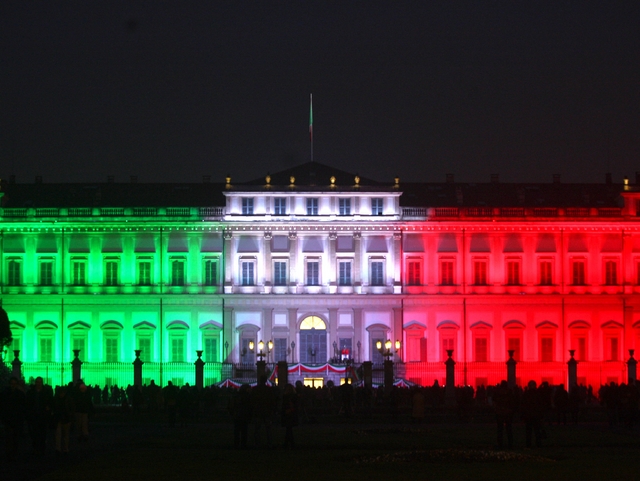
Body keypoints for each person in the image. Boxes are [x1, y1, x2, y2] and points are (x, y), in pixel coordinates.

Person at [1, 376, 26, 462]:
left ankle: (13, 453)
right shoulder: (5, 394)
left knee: (15, 438)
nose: (13, 386)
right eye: (12, 384)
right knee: (9, 438)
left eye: (14, 384)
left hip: (16, 420)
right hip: (9, 420)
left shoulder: (19, 394)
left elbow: (23, 407)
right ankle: (10, 454)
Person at [25, 376, 52, 456]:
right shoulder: (31, 392)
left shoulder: (45, 392)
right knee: (35, 434)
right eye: (37, 382)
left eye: (40, 382)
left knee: (42, 433)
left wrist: (49, 407)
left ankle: (41, 449)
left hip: (43, 416)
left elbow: (50, 401)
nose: (38, 384)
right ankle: (36, 448)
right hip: (34, 416)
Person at [520, 380, 544, 448]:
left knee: (528, 431)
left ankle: (528, 444)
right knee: (537, 431)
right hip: (536, 415)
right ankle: (538, 444)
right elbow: (541, 404)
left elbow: (523, 405)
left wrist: (523, 415)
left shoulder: (526, 394)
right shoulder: (538, 394)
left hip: (529, 415)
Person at [493, 380, 516, 449]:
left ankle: (500, 443)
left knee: (500, 429)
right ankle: (510, 443)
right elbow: (512, 402)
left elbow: (494, 400)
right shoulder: (509, 392)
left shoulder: (498, 392)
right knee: (509, 429)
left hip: (500, 412)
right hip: (508, 412)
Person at [228, 384, 252, 449]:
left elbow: (231, 405)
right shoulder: (247, 396)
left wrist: (232, 413)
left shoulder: (236, 396)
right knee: (244, 430)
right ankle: (243, 444)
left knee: (237, 430)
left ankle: (236, 444)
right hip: (244, 415)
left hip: (237, 415)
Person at [53, 385, 75, 456]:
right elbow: (71, 409)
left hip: (60, 418)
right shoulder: (68, 399)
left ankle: (58, 448)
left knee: (59, 435)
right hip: (65, 418)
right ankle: (64, 449)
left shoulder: (56, 399)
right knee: (65, 435)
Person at [281, 383, 299, 449]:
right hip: (292, 413)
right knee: (289, 429)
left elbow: (283, 405)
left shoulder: (285, 396)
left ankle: (288, 443)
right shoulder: (294, 396)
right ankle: (290, 443)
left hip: (287, 413)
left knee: (288, 429)